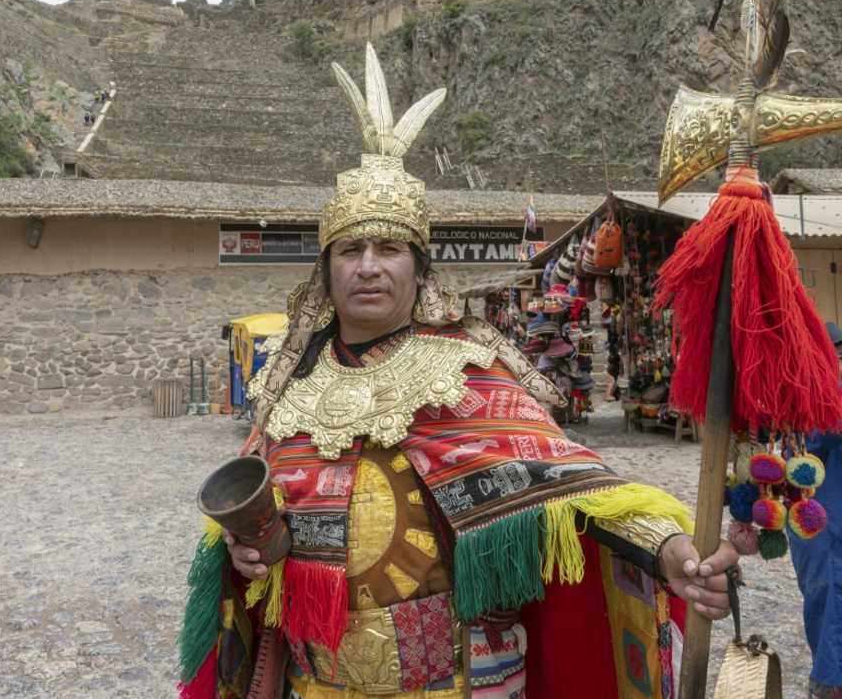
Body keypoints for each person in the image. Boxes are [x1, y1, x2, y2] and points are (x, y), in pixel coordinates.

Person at [177, 44, 736, 699]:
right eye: (351, 249)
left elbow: (576, 490)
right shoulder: (290, 392)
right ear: (326, 271)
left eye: (389, 248)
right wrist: (248, 558)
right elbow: (253, 549)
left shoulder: (469, 375)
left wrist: (669, 546)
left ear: (419, 270)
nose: (368, 265)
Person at [790, 322, 842, 699]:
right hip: (820, 521)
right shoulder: (813, 398)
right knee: (828, 600)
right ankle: (827, 683)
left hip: (821, 518)